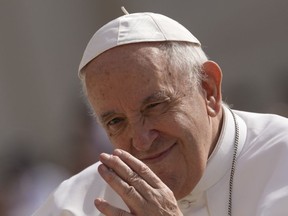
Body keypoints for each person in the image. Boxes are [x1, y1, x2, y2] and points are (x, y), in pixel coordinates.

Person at [33, 10, 288, 216]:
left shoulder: (281, 160)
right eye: (116, 121)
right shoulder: (74, 205)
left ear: (208, 89)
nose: (142, 140)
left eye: (154, 107)